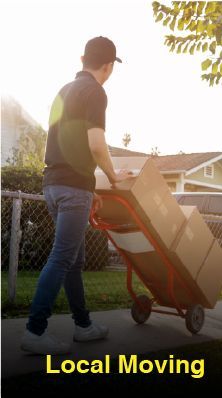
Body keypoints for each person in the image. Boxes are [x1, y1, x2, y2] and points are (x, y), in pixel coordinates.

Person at [21, 36, 132, 355]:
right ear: (108, 66)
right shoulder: (95, 91)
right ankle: (34, 331)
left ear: (83, 59)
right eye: (112, 67)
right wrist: (112, 177)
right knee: (62, 257)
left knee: (73, 260)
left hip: (54, 184)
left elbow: (68, 144)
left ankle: (83, 326)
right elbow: (96, 144)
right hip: (71, 189)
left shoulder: (64, 90)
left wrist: (91, 188)